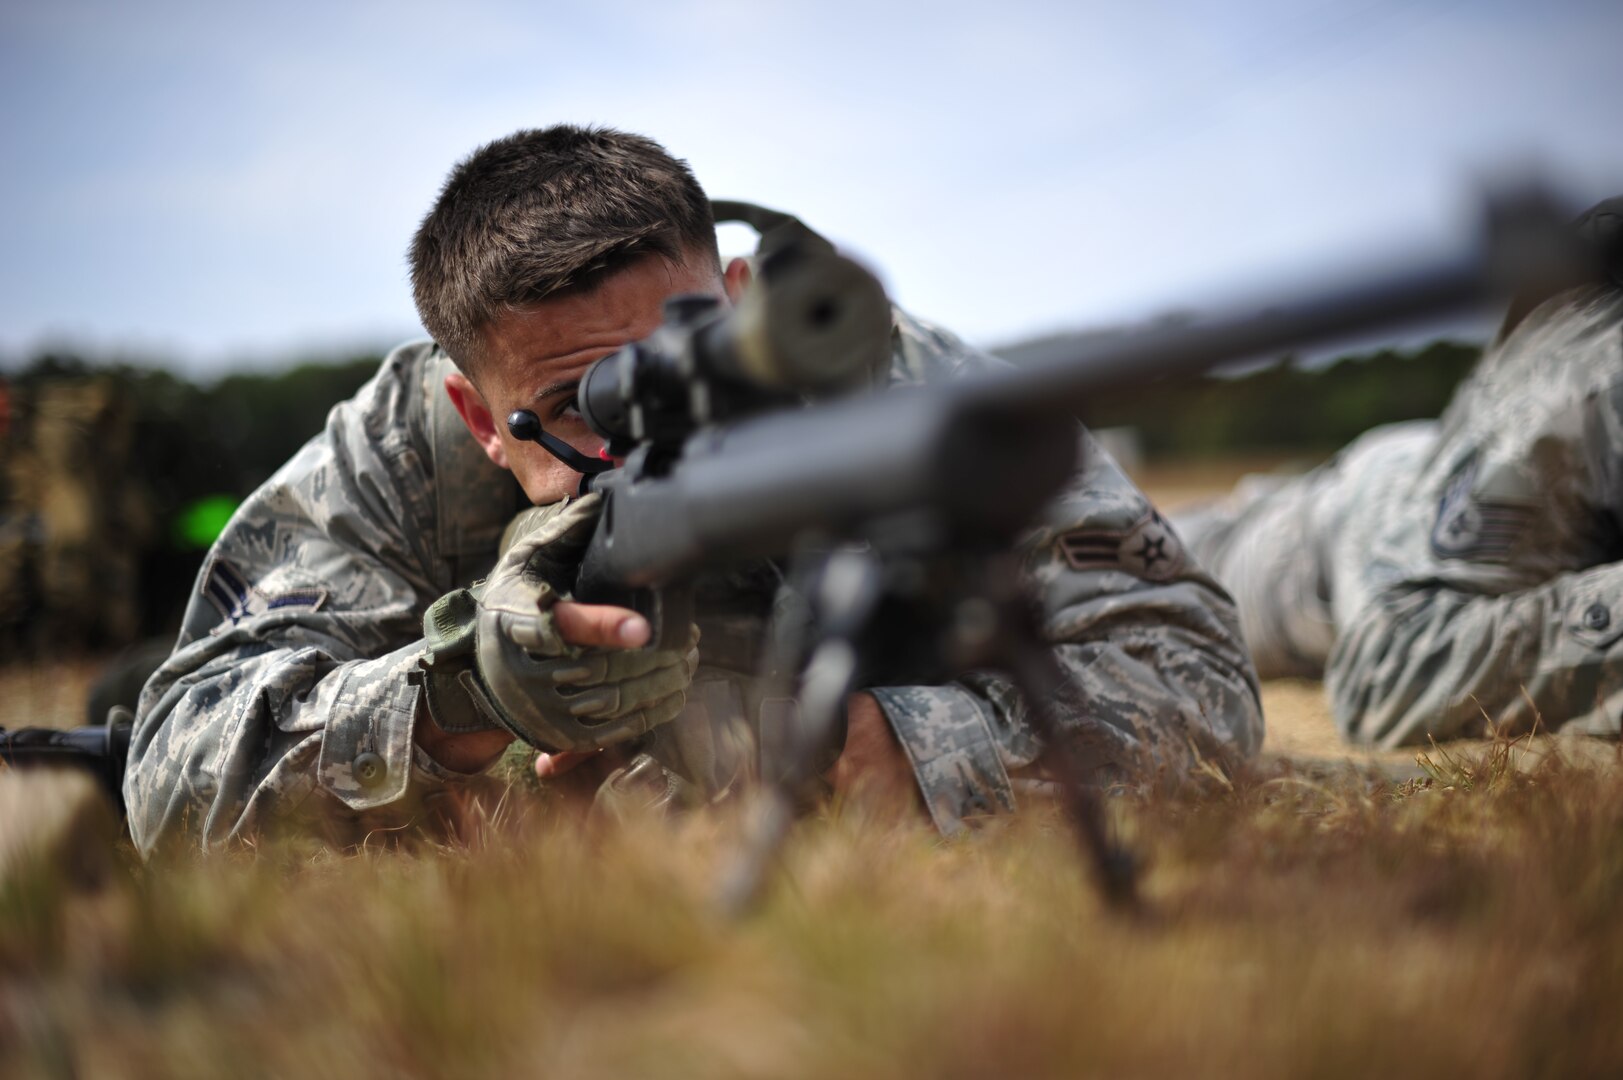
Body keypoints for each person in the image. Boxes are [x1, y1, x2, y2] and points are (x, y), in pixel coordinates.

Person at [124, 125, 1262, 855]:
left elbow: (1196, 677)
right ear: (479, 417)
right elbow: (171, 779)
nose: (660, 430)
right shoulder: (393, 456)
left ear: (738, 294)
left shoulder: (884, 381)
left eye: (690, 353)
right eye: (581, 411)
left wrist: (912, 748)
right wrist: (465, 700)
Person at [1174, 197, 1623, 748]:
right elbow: (1386, 669)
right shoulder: (1586, 379)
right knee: (1140, 569)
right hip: (1329, 537)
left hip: (1408, 483)